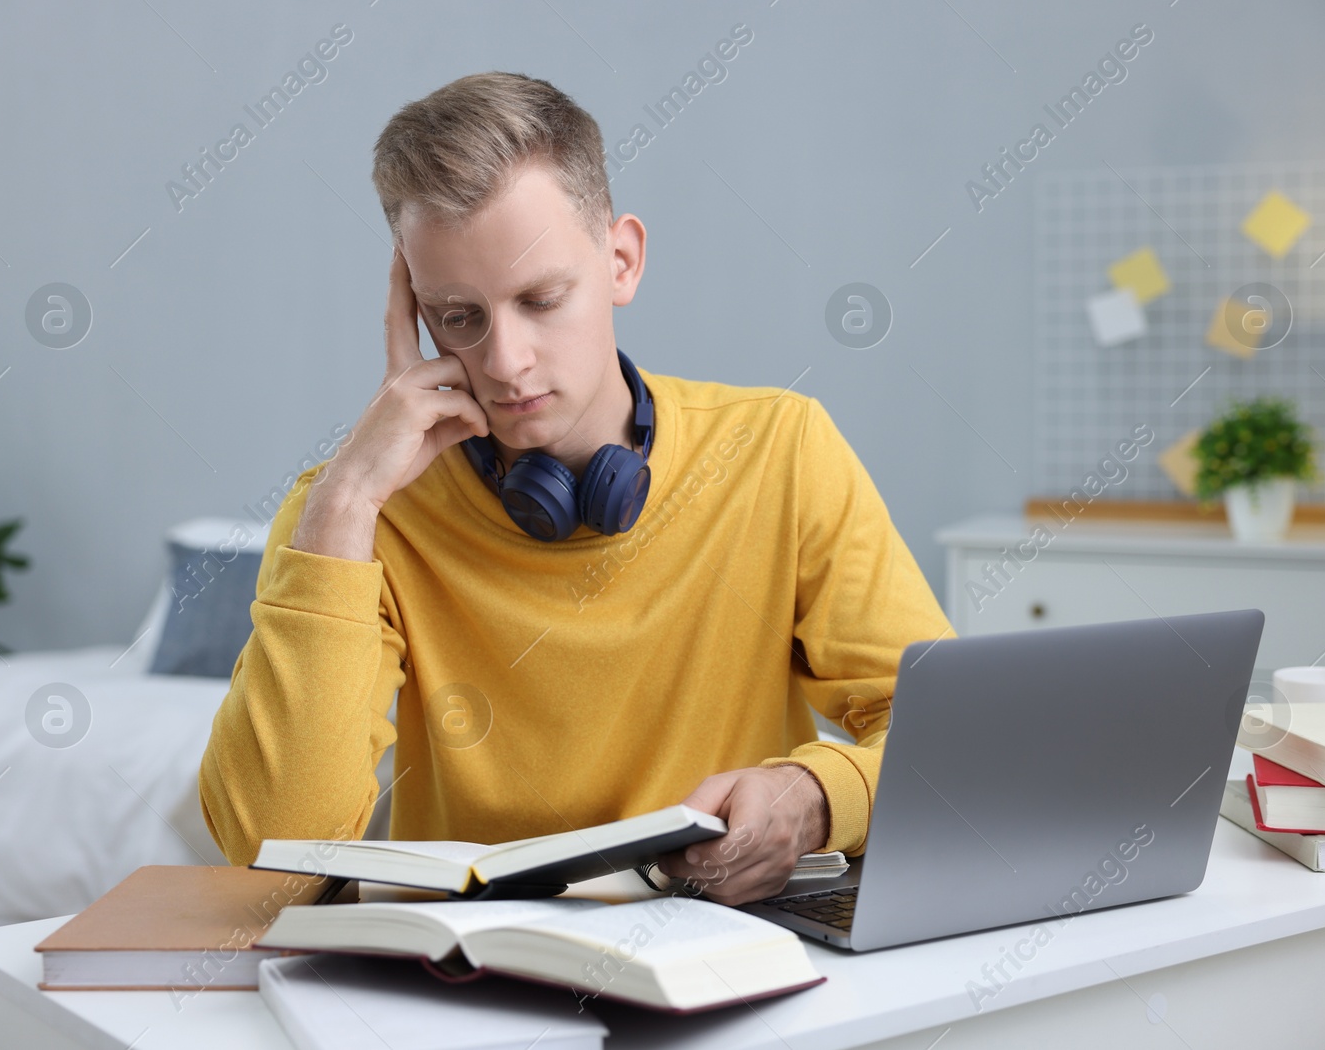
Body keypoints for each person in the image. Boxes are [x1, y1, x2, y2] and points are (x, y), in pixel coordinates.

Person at [198, 71, 953, 906]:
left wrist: (814, 798)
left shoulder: (781, 450)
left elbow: (959, 743)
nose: (505, 362)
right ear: (412, 311)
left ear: (622, 259)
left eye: (541, 298)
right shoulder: (354, 508)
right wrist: (343, 508)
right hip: (465, 982)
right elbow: (277, 850)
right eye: (457, 315)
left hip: (728, 961)